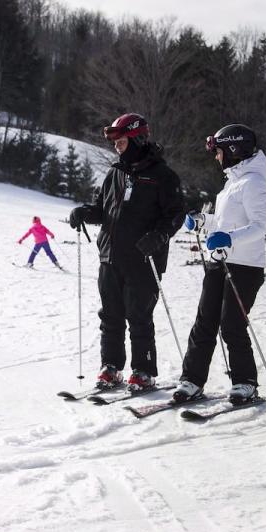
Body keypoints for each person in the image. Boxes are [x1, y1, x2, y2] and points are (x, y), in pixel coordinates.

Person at [68, 113, 185, 391]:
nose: (116, 147)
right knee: (110, 315)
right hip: (110, 257)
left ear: (136, 139)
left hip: (143, 261)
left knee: (138, 316)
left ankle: (143, 371)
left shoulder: (162, 176)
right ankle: (110, 367)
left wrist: (157, 237)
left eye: (120, 142)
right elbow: (102, 209)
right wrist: (85, 212)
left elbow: (176, 214)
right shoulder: (115, 173)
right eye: (115, 143)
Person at [175, 124, 266, 405]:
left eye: (218, 151)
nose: (216, 158)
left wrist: (228, 238)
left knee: (231, 325)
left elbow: (259, 226)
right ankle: (192, 380)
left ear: (232, 150)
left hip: (245, 266)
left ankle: (245, 383)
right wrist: (204, 222)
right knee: (204, 321)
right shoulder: (234, 182)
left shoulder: (255, 182)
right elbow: (226, 221)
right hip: (220, 262)